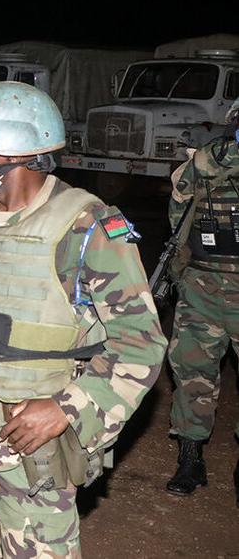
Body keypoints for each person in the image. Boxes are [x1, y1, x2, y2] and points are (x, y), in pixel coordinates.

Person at [0, 81, 166, 555]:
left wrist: (67, 407)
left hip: (28, 448)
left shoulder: (85, 228)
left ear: (11, 150)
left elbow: (141, 344)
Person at [165, 98, 239, 504]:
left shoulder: (205, 161)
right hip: (203, 285)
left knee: (194, 371)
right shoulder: (202, 163)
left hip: (206, 283)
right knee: (192, 371)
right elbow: (179, 215)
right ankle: (190, 458)